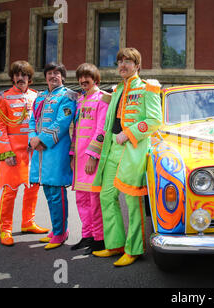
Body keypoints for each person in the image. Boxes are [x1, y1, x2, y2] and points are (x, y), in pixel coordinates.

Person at [91, 48, 162, 266]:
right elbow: (108, 121)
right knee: (106, 197)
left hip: (132, 149)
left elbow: (154, 121)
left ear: (137, 66)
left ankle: (134, 249)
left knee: (133, 201)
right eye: (120, 61)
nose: (123, 65)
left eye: (128, 61)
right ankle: (115, 245)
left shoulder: (148, 88)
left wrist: (128, 133)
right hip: (112, 149)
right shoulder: (118, 89)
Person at [0, 60, 49, 246]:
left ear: (29, 77)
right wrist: (6, 153)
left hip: (33, 151)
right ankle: (5, 229)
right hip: (13, 153)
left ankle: (28, 222)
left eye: (24, 75)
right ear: (12, 78)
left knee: (32, 188)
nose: (20, 78)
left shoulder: (37, 97)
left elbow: (42, 123)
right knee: (10, 191)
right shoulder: (2, 98)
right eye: (17, 75)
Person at [28, 62, 77, 250]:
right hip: (39, 152)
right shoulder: (40, 97)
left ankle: (60, 233)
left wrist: (41, 140)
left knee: (56, 192)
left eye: (57, 73)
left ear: (63, 77)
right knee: (48, 191)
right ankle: (57, 229)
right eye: (50, 73)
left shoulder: (68, 96)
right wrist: (32, 138)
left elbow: (63, 122)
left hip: (56, 150)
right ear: (45, 77)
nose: (53, 76)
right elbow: (32, 120)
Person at [69, 63, 110, 254]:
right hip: (78, 160)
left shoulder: (102, 99)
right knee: (81, 199)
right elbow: (75, 131)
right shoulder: (80, 100)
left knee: (94, 201)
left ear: (96, 79)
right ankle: (86, 236)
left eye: (87, 77)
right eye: (80, 77)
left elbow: (101, 130)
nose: (83, 80)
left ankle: (98, 239)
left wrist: (93, 155)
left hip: (91, 158)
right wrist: (72, 155)